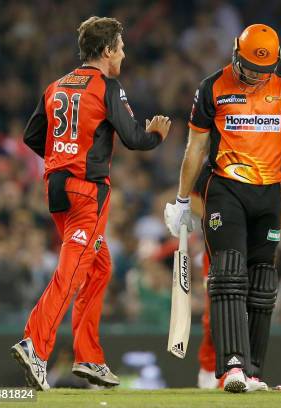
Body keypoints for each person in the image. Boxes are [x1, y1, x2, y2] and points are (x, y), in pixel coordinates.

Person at [164, 24, 281, 393]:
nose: (254, 76)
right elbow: (196, 149)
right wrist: (182, 199)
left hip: (269, 194)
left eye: (262, 71)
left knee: (263, 283)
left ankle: (253, 373)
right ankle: (232, 368)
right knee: (229, 274)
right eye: (249, 67)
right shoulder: (212, 87)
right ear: (236, 54)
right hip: (225, 190)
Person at [12, 16, 171, 390]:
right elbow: (134, 138)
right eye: (120, 46)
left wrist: (63, 155)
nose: (124, 53)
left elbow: (32, 136)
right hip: (87, 192)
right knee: (71, 272)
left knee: (99, 268)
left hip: (56, 188)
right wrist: (157, 136)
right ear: (106, 50)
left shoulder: (56, 86)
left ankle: (89, 357)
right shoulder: (107, 87)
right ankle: (35, 344)